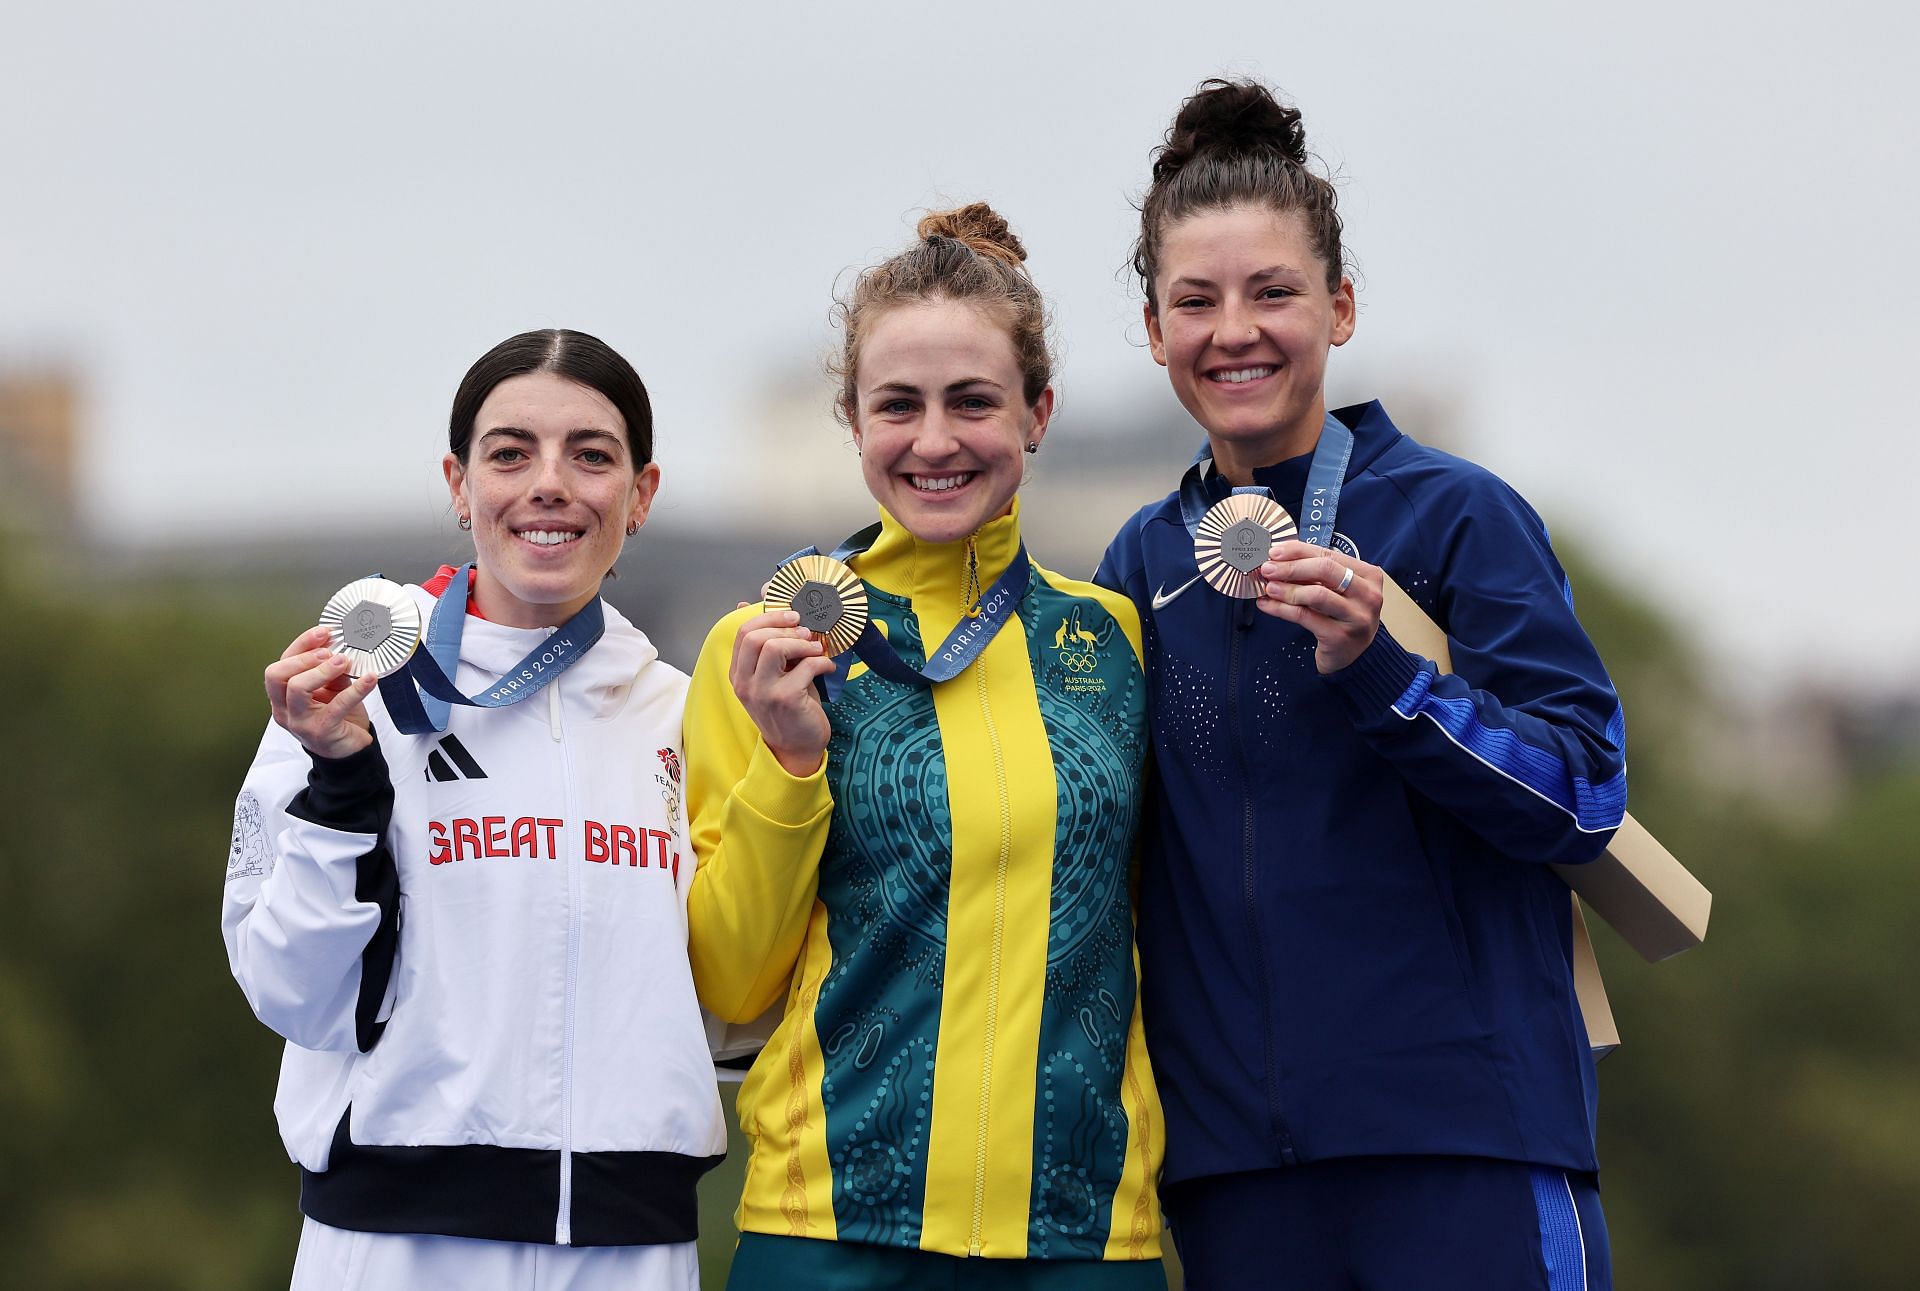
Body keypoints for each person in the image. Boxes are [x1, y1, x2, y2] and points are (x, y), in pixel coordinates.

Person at [1096, 80, 1625, 1290]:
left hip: (1466, 1144)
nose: (1235, 330)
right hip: (1234, 1174)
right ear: (1152, 324)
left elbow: (1588, 796)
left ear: (1338, 306)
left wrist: (1386, 674)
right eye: (1197, 300)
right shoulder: (1138, 561)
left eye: (1273, 292)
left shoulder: (1455, 516)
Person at [684, 204, 1167, 1289]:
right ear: (853, 422)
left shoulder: (1117, 638)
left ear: (1038, 413)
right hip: (829, 1235)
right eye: (897, 405)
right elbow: (729, 971)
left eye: (974, 402)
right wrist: (791, 762)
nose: (936, 440)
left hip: (1085, 1237)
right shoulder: (763, 647)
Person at [221, 329, 726, 1291]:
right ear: (459, 485)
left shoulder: (685, 713)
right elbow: (290, 988)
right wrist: (340, 783)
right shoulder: (344, 695)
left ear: (641, 493)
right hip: (396, 1245)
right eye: (509, 452)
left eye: (591, 454)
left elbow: (729, 995)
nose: (550, 483)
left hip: (630, 1247)